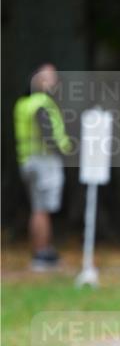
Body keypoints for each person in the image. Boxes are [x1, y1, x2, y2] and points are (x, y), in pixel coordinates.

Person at [14, 64, 73, 270]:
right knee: (42, 210)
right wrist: (66, 152)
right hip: (44, 162)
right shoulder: (42, 103)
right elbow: (49, 134)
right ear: (37, 81)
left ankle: (43, 251)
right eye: (49, 77)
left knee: (37, 208)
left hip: (28, 161)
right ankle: (41, 253)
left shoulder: (23, 103)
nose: (54, 81)